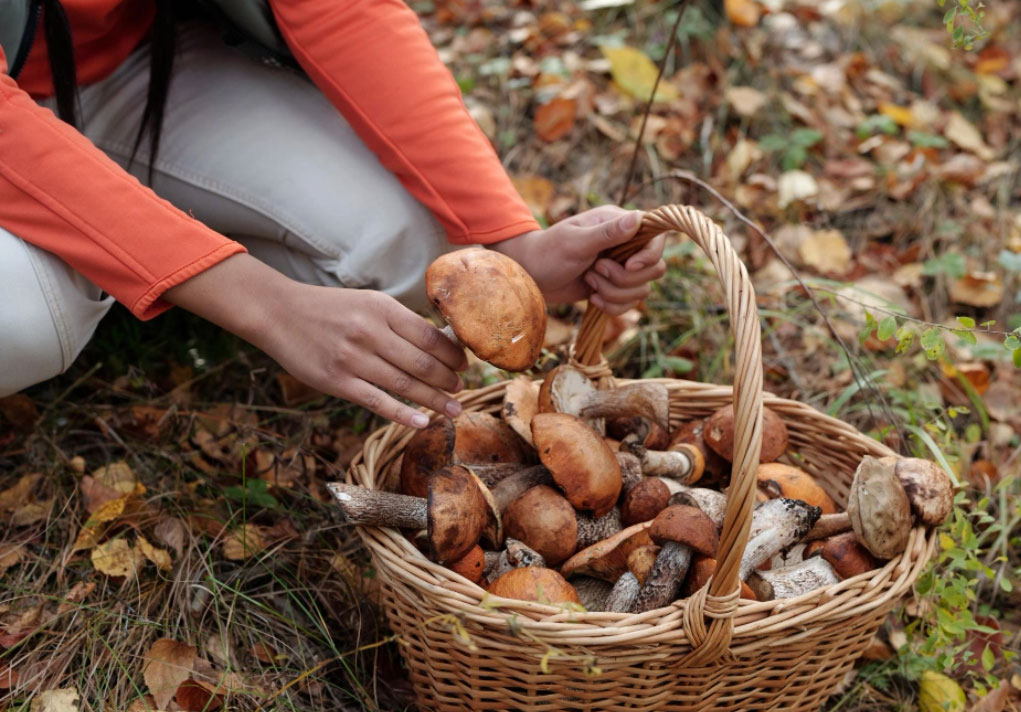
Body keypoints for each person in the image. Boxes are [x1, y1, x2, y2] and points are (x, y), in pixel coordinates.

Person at [0, 0, 667, 429]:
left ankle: (144, 259)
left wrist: (507, 242)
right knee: (29, 321)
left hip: (133, 67)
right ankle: (126, 272)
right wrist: (268, 305)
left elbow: (339, 8)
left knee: (417, 250)